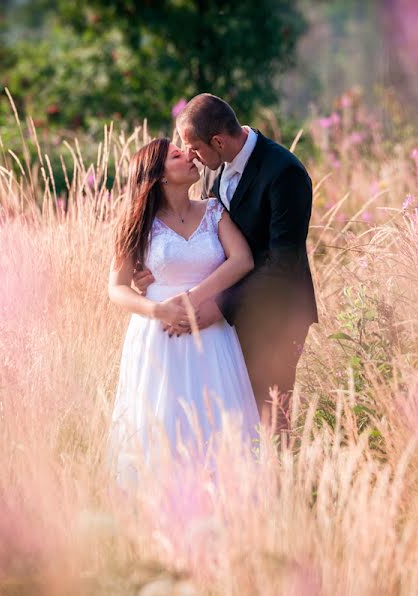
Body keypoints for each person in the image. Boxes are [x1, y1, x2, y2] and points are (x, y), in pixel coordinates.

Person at [134, 93, 318, 435]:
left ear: (217, 141)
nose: (192, 157)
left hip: (276, 316)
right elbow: (211, 242)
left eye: (195, 149)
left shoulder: (284, 172)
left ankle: (282, 485)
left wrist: (219, 305)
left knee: (270, 420)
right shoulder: (214, 171)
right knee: (227, 421)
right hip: (226, 327)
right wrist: (155, 274)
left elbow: (283, 263)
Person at [106, 137, 261, 488]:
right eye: (177, 155)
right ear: (158, 175)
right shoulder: (137, 224)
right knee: (163, 422)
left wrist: (196, 297)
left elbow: (243, 260)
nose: (189, 155)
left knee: (219, 422)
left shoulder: (213, 210)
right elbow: (115, 288)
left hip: (212, 334)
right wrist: (156, 309)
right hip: (160, 338)